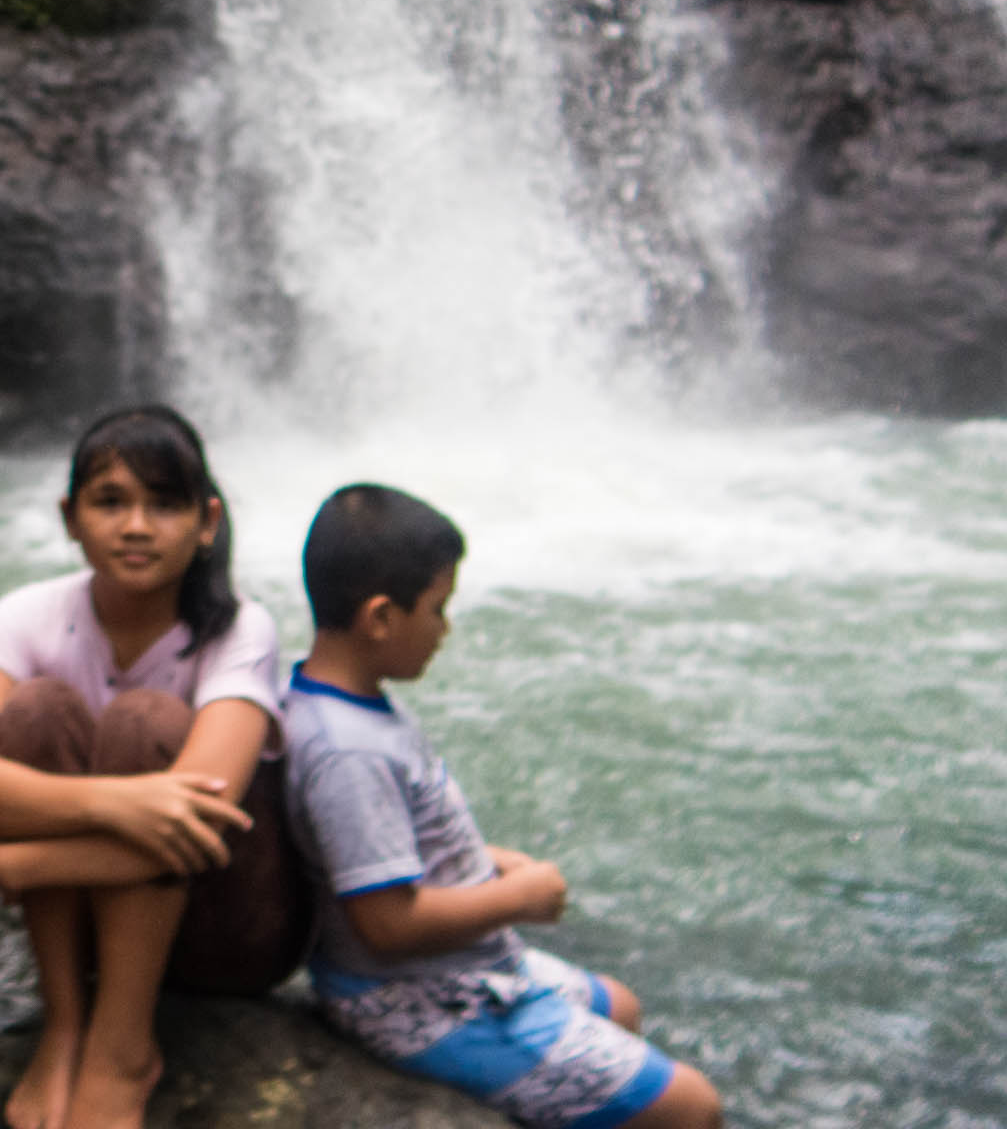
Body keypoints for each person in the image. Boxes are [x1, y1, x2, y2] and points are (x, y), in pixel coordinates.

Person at [282, 483, 723, 1129]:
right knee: (696, 1108)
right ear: (379, 618)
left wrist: (487, 859)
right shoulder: (350, 753)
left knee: (621, 1008)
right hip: (425, 1002)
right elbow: (387, 923)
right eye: (438, 608)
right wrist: (520, 899)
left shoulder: (336, 704)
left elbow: (370, 845)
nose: (446, 629)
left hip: (461, 973)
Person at [0, 405, 312, 1129]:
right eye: (110, 502)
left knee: (147, 722)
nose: (136, 526)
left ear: (206, 522)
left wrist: (26, 864)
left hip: (230, 925)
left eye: (164, 505)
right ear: (69, 516)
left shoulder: (239, 627)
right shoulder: (25, 615)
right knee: (38, 708)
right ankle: (68, 1022)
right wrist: (117, 803)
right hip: (88, 932)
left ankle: (122, 1048)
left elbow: (203, 814)